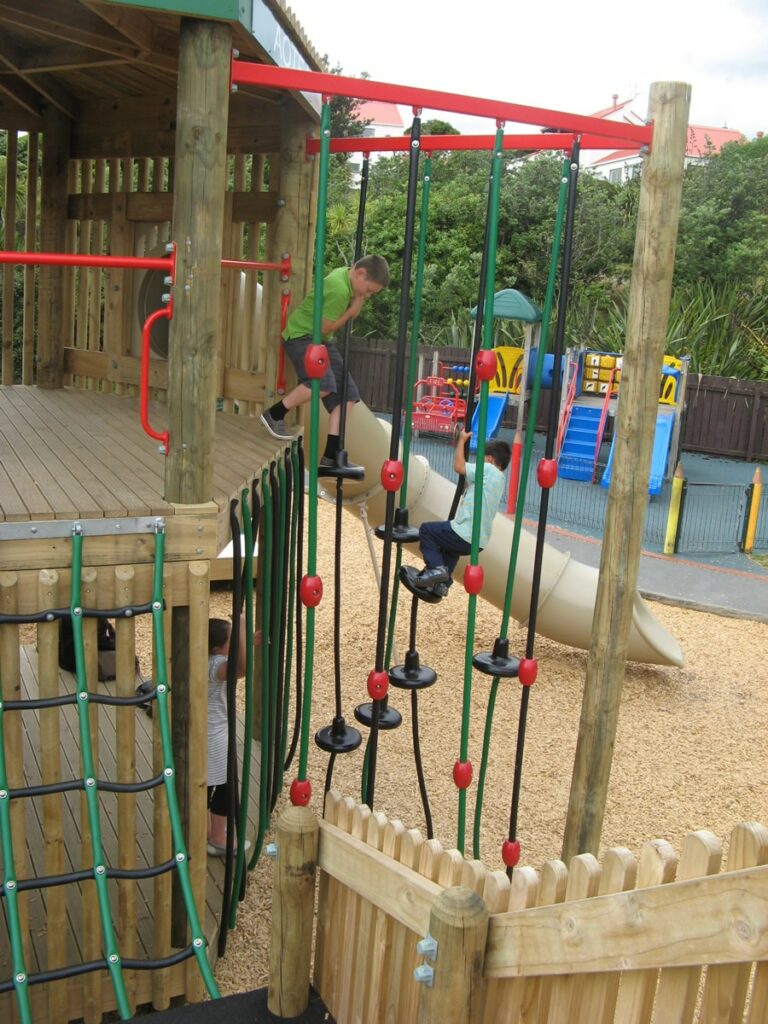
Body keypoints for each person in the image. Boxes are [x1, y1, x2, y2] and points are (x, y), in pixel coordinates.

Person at [260, 255, 390, 475]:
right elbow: (325, 328)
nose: (367, 295)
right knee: (322, 383)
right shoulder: (340, 290)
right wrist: (352, 310)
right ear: (359, 273)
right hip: (302, 336)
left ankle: (332, 455)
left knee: (348, 395)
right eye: (369, 290)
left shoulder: (346, 277)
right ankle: (274, 414)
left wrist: (356, 300)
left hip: (319, 341)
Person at [413, 430, 511, 597]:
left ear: (489, 459)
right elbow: (468, 485)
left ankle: (436, 570)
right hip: (477, 542)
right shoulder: (500, 480)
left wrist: (461, 441)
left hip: (465, 531)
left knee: (426, 530)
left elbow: (459, 466)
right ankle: (442, 585)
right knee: (451, 550)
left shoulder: (487, 469)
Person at [207, 614, 261, 856]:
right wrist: (241, 624)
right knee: (223, 787)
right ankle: (218, 839)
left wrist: (245, 638)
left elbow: (235, 654)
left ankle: (207, 831)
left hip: (209, 732)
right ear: (217, 648)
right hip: (214, 736)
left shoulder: (207, 657)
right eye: (233, 638)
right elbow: (241, 669)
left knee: (209, 785)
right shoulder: (215, 665)